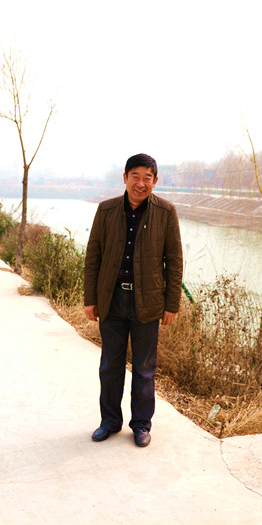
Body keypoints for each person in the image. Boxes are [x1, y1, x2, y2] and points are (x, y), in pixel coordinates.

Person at [83, 153, 183, 447]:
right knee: (110, 366)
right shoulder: (106, 209)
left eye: (147, 178)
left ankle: (141, 424)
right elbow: (93, 256)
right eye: (135, 177)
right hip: (111, 299)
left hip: (147, 302)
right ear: (125, 178)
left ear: (155, 181)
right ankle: (110, 421)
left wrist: (171, 304)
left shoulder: (166, 212)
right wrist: (90, 299)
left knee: (144, 369)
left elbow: (174, 261)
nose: (141, 183)